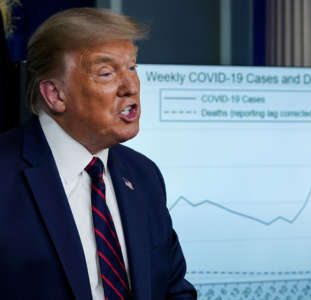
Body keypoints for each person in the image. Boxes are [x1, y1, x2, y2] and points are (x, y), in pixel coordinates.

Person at [0, 7, 196, 300]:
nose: (131, 87)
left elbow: (173, 289)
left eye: (132, 67)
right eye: (106, 73)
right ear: (55, 94)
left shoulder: (143, 175)